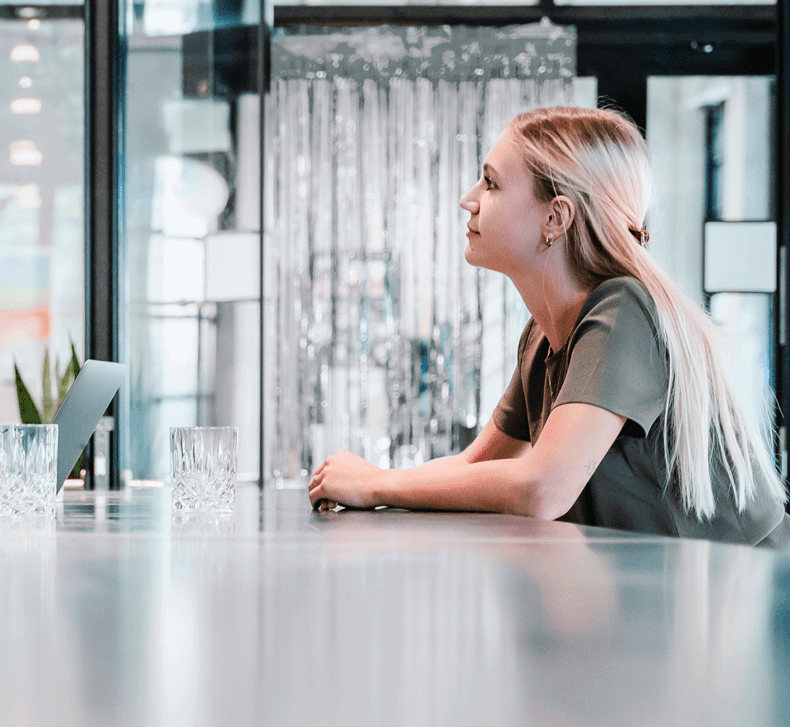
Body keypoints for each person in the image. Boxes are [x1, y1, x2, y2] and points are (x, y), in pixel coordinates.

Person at [308, 105, 786, 545]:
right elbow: (480, 465)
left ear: (555, 217)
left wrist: (375, 484)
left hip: (755, 596)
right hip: (675, 595)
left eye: (490, 184)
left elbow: (544, 488)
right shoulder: (543, 335)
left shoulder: (624, 310)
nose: (467, 200)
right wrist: (375, 481)